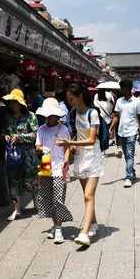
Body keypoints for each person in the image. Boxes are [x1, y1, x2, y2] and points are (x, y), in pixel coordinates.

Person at [58, 83, 104, 247]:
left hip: (93, 155)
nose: (69, 100)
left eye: (72, 97)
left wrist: (71, 142)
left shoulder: (93, 113)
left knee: (88, 195)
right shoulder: (73, 113)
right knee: (87, 193)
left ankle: (84, 234)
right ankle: (93, 223)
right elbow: (77, 134)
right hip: (80, 155)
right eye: (68, 98)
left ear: (81, 96)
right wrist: (69, 150)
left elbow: (91, 139)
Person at [35, 98, 73, 244]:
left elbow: (68, 146)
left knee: (58, 199)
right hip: (46, 168)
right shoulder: (41, 129)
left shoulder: (63, 129)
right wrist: (41, 149)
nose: (49, 118)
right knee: (48, 199)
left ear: (57, 116)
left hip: (59, 168)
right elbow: (37, 146)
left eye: (52, 115)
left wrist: (66, 161)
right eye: (47, 115)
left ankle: (58, 229)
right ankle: (54, 225)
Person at [3, 89, 39, 221]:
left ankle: (36, 199)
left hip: (28, 154)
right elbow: (4, 132)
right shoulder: (8, 117)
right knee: (13, 181)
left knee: (31, 180)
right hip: (13, 154)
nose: (12, 105)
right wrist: (6, 136)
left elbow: (35, 135)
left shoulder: (30, 116)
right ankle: (16, 209)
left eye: (15, 102)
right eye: (11, 102)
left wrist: (19, 137)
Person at [110, 80, 140, 188]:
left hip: (132, 132)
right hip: (121, 132)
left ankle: (128, 177)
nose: (120, 90)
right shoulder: (119, 101)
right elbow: (116, 116)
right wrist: (110, 128)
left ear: (127, 88)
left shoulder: (137, 102)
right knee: (127, 155)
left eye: (121, 88)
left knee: (129, 154)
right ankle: (132, 172)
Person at [93, 89, 116, 155]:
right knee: (106, 135)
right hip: (108, 120)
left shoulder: (96, 99)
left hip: (99, 119)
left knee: (100, 135)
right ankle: (104, 148)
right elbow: (112, 108)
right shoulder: (108, 101)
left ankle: (101, 150)